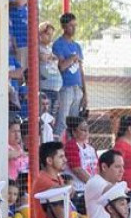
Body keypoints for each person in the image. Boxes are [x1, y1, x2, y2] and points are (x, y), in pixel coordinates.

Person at [81, 149, 124, 218]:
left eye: (122, 167)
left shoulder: (116, 185)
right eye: (117, 167)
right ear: (104, 167)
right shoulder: (95, 182)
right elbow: (115, 191)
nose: (122, 171)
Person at [51, 12, 86, 140]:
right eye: (71, 25)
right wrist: (72, 58)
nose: (74, 28)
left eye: (75, 25)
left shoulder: (77, 46)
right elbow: (61, 66)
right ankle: (56, 149)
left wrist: (85, 92)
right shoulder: (58, 44)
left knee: (74, 124)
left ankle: (72, 151)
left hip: (77, 88)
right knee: (62, 122)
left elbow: (81, 70)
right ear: (64, 26)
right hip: (65, 87)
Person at [64, 115, 98, 190]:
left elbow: (97, 167)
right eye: (83, 130)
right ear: (74, 132)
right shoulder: (71, 146)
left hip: (90, 188)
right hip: (78, 189)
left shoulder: (91, 148)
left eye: (87, 130)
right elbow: (77, 170)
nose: (87, 132)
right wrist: (95, 185)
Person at [38, 22, 62, 117]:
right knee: (44, 116)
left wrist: (52, 57)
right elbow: (42, 57)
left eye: (51, 35)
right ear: (40, 34)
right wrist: (50, 57)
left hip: (55, 89)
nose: (50, 37)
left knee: (52, 117)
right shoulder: (36, 46)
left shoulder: (49, 49)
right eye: (47, 34)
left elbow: (54, 59)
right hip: (45, 89)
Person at [7, 0, 28, 66]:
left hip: (29, 41)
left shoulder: (26, 0)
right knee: (21, 72)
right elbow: (19, 2)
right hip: (18, 43)